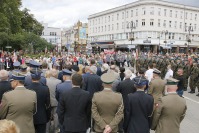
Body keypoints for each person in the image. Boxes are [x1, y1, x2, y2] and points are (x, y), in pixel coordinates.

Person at [25, 68, 51, 133]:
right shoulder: (45, 89)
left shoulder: (27, 88)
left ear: (31, 77)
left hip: (29, 117)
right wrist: (48, 116)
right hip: (42, 117)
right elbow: (48, 104)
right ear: (40, 78)